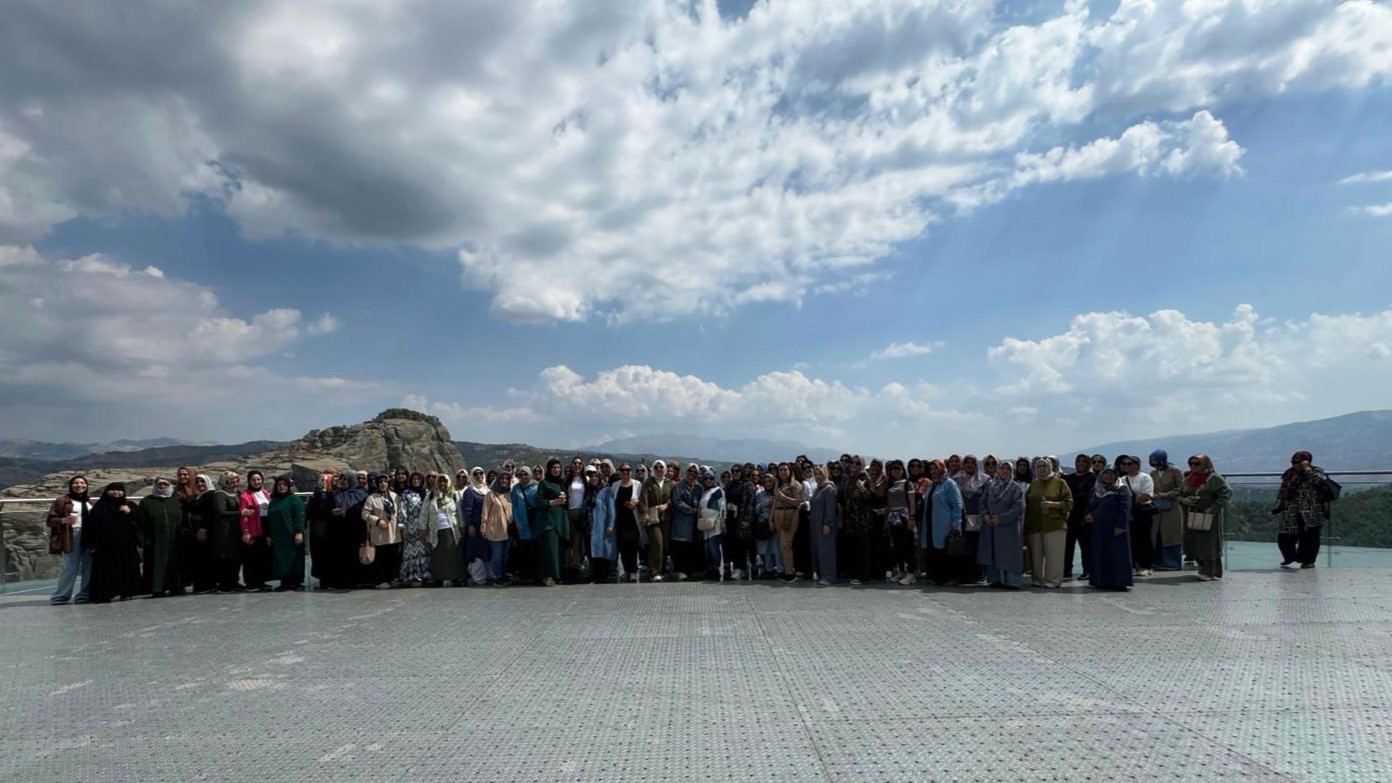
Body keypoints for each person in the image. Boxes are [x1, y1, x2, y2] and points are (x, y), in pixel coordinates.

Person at [1274, 450, 1338, 569]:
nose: (1295, 465)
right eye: (1294, 462)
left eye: (1298, 463)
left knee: (1310, 537)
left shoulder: (1316, 472)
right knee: (1284, 536)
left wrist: (1307, 469)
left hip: (1312, 511)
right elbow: (1283, 489)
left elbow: (1318, 481)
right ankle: (1289, 557)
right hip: (1291, 511)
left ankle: (1308, 561)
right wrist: (1280, 503)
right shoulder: (1290, 474)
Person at [83, 483, 142, 603]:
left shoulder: (129, 505)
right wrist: (90, 543)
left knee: (125, 568)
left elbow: (141, 521)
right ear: (107, 492)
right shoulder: (99, 507)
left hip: (126, 545)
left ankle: (126, 592)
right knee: (105, 571)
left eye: (120, 490)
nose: (116, 492)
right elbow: (91, 526)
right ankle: (106, 594)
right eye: (113, 490)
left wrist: (129, 513)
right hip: (104, 546)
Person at [1179, 454, 1231, 581]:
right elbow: (1179, 492)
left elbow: (1226, 493)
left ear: (1205, 464)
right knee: (1192, 541)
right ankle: (1202, 567)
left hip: (1209, 516)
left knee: (1208, 543)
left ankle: (1210, 570)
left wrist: (1212, 508)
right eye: (1191, 464)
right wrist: (1184, 500)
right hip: (1191, 514)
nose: (1194, 466)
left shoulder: (1215, 479)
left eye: (1197, 463)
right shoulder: (1189, 478)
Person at [1024, 457, 1073, 589]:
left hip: (1055, 525)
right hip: (1034, 525)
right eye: (1039, 466)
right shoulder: (1033, 484)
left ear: (1051, 467)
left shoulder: (1060, 482)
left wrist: (1053, 504)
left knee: (1054, 555)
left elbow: (1069, 503)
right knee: (1036, 555)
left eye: (1045, 466)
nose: (1042, 468)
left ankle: (1053, 581)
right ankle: (1037, 579)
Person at [979, 459, 1025, 589]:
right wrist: (985, 515)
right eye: (1002, 468)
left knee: (1008, 554)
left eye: (1008, 469)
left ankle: (1011, 582)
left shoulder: (1016, 487)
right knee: (993, 553)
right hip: (991, 527)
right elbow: (982, 502)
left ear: (1012, 472)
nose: (1004, 471)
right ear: (998, 470)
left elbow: (1018, 507)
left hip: (1008, 528)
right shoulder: (990, 485)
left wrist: (1001, 518)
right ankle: (995, 579)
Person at [194, 473, 244, 593]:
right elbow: (220, 512)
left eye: (236, 481)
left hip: (235, 530)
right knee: (225, 557)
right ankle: (225, 583)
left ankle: (233, 582)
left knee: (234, 556)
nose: (234, 483)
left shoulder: (236, 493)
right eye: (231, 481)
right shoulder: (219, 494)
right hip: (224, 530)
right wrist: (240, 514)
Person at [49, 475, 94, 605]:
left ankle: (84, 595)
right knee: (70, 566)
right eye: (76, 483)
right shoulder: (62, 501)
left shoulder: (88, 501)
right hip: (72, 534)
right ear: (70, 485)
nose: (79, 485)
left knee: (89, 566)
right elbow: (50, 520)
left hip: (89, 535)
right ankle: (61, 596)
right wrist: (63, 520)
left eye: (82, 483)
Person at [1087, 466, 1134, 591]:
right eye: (1105, 473)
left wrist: (1121, 526)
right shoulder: (1096, 490)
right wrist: (1089, 515)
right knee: (1100, 553)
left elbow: (1125, 509)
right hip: (1099, 528)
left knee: (1117, 554)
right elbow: (1091, 505)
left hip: (1116, 528)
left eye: (1111, 474)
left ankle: (1119, 581)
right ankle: (1101, 581)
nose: (1108, 476)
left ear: (1116, 476)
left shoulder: (1121, 489)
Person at [138, 476, 183, 597]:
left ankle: (176, 586)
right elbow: (141, 521)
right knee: (156, 562)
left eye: (165, 484)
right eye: (159, 484)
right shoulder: (147, 501)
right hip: (155, 538)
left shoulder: (176, 500)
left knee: (175, 561)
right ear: (155, 486)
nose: (162, 486)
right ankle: (158, 588)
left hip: (175, 538)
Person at [921, 459, 965, 585]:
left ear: (942, 468)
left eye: (936, 468)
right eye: (931, 469)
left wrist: (956, 524)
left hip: (945, 525)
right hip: (931, 524)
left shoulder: (949, 484)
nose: (934, 471)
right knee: (935, 550)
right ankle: (938, 577)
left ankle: (951, 578)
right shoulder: (932, 485)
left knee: (947, 552)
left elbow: (957, 505)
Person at [266, 475, 306, 591]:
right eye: (279, 485)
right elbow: (269, 518)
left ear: (288, 486)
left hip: (291, 534)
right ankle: (285, 582)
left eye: (284, 485)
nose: (282, 487)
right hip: (279, 535)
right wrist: (268, 535)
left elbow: (299, 517)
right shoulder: (273, 501)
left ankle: (296, 582)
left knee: (294, 557)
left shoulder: (295, 500)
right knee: (281, 558)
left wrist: (299, 532)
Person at [1149, 450, 1186, 571]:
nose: (1156, 466)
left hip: (1172, 507)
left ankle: (1172, 563)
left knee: (1171, 535)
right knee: (1157, 535)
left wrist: (1168, 494)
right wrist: (1154, 494)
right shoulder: (1153, 473)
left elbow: (1182, 487)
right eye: (1153, 464)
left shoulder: (1175, 471)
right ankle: (1158, 561)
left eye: (1158, 464)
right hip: (1157, 507)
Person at [362, 473, 401, 589]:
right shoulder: (372, 498)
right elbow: (365, 514)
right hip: (380, 532)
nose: (383, 484)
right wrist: (377, 521)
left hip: (393, 532)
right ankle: (380, 580)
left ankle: (391, 578)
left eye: (385, 482)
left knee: (393, 556)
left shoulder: (394, 496)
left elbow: (399, 513)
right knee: (381, 558)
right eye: (380, 482)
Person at [954, 455, 988, 585]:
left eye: (972, 462)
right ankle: (963, 575)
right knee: (964, 547)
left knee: (978, 547)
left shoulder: (985, 479)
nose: (969, 465)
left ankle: (978, 574)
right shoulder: (956, 479)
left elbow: (987, 498)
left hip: (979, 517)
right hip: (962, 518)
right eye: (966, 462)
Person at [1120, 456, 1156, 577]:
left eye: (1130, 464)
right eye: (1125, 464)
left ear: (1137, 465)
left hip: (1142, 511)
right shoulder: (1122, 479)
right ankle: (1134, 564)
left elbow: (1146, 495)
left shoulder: (1145, 478)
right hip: (1128, 512)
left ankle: (1147, 565)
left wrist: (1129, 500)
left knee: (1144, 538)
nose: (1127, 466)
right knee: (1131, 539)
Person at [536, 458, 570, 587]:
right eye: (554, 468)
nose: (556, 470)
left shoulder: (562, 483)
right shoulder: (544, 484)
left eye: (558, 468)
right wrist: (553, 502)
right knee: (550, 550)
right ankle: (549, 576)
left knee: (559, 550)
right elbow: (539, 502)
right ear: (549, 469)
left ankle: (559, 575)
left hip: (561, 520)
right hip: (549, 522)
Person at [424, 475, 463, 587]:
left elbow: (459, 511)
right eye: (440, 482)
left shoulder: (454, 495)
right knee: (438, 556)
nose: (442, 484)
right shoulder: (431, 496)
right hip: (436, 530)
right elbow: (424, 512)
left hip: (451, 529)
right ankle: (440, 577)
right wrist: (422, 528)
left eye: (444, 482)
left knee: (452, 554)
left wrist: (462, 525)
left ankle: (455, 577)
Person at [1063, 455, 1096, 581]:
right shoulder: (1069, 478)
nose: (1081, 464)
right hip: (1071, 515)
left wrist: (1089, 513)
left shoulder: (1093, 478)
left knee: (1086, 545)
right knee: (1068, 544)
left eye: (1084, 461)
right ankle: (1066, 570)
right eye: (1078, 461)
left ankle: (1087, 570)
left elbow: (1092, 497)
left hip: (1086, 515)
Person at [238, 471, 273, 592]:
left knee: (263, 556)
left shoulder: (265, 493)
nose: (256, 482)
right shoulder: (245, 496)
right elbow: (244, 515)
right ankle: (251, 583)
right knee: (251, 556)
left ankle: (261, 581)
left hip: (265, 527)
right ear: (249, 481)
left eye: (258, 479)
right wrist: (246, 531)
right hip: (253, 528)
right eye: (253, 480)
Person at [640, 460, 673, 581]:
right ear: (653, 469)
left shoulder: (669, 483)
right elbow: (643, 500)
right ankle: (655, 571)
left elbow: (672, 498)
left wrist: (666, 505)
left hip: (666, 518)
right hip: (653, 518)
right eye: (656, 467)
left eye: (661, 467)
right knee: (657, 543)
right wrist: (644, 513)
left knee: (664, 544)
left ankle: (663, 569)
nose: (659, 469)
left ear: (665, 469)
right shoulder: (647, 483)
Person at [397, 472, 432, 587]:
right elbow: (402, 510)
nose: (416, 481)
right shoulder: (406, 493)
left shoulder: (426, 493)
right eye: (414, 479)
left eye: (418, 479)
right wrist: (403, 527)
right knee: (412, 553)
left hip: (424, 528)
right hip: (411, 528)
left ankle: (425, 575)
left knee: (424, 551)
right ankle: (413, 576)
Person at [459, 467, 492, 586]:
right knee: (476, 552)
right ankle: (478, 577)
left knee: (487, 550)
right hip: (475, 526)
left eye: (481, 473)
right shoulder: (470, 491)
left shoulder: (488, 490)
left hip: (487, 526)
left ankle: (488, 576)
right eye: (476, 474)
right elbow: (467, 509)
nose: (479, 476)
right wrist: (470, 525)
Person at [670, 464, 702, 580]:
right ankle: (680, 570)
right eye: (690, 471)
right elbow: (677, 501)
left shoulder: (699, 487)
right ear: (685, 471)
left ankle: (692, 570)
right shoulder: (679, 486)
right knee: (681, 546)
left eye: (695, 472)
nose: (692, 473)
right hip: (682, 521)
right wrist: (690, 510)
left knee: (693, 546)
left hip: (695, 522)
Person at [482, 469, 514, 586]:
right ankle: (498, 576)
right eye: (502, 478)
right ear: (498, 480)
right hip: (495, 528)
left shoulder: (510, 493)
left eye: (507, 479)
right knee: (497, 554)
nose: (504, 481)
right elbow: (485, 512)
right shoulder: (490, 494)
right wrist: (483, 527)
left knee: (505, 555)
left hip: (508, 529)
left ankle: (503, 574)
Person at [773, 463, 803, 583]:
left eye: (785, 470)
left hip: (790, 514)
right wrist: (771, 519)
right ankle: (786, 570)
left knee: (786, 544)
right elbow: (775, 502)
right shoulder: (778, 484)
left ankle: (790, 573)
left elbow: (798, 502)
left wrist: (784, 497)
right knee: (781, 544)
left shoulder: (795, 484)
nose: (783, 472)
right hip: (777, 513)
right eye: (780, 470)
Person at [809, 464, 839, 586]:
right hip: (815, 524)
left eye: (820, 473)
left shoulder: (829, 489)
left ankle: (829, 576)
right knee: (818, 549)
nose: (817, 476)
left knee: (827, 550)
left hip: (825, 524)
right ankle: (821, 573)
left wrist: (828, 523)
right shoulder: (817, 489)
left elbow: (830, 508)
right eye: (815, 474)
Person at [510, 467, 540, 584]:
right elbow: (514, 506)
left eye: (526, 474)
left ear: (530, 475)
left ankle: (535, 574)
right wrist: (516, 521)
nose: (524, 477)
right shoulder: (516, 489)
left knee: (535, 549)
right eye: (521, 475)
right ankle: (525, 575)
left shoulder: (536, 487)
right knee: (523, 550)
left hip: (534, 522)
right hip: (522, 523)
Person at [589, 468, 618, 583]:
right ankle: (595, 575)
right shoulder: (588, 491)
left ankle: (603, 576)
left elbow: (611, 510)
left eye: (596, 476)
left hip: (603, 525)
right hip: (591, 526)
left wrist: (611, 524)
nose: (594, 478)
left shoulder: (607, 491)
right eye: (592, 476)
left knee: (604, 550)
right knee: (593, 551)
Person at [698, 468, 726, 580]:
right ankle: (710, 568)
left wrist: (723, 520)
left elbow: (722, 507)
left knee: (714, 547)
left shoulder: (719, 491)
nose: (708, 480)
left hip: (716, 523)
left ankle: (716, 568)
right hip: (706, 524)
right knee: (708, 547)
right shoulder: (704, 492)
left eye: (711, 478)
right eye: (706, 478)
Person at [753, 473, 780, 579]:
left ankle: (778, 568)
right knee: (765, 548)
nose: (768, 484)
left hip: (776, 523)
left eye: (770, 482)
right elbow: (755, 508)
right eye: (766, 482)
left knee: (776, 547)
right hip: (763, 523)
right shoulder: (760, 495)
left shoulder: (778, 494)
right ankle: (768, 569)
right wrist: (764, 505)